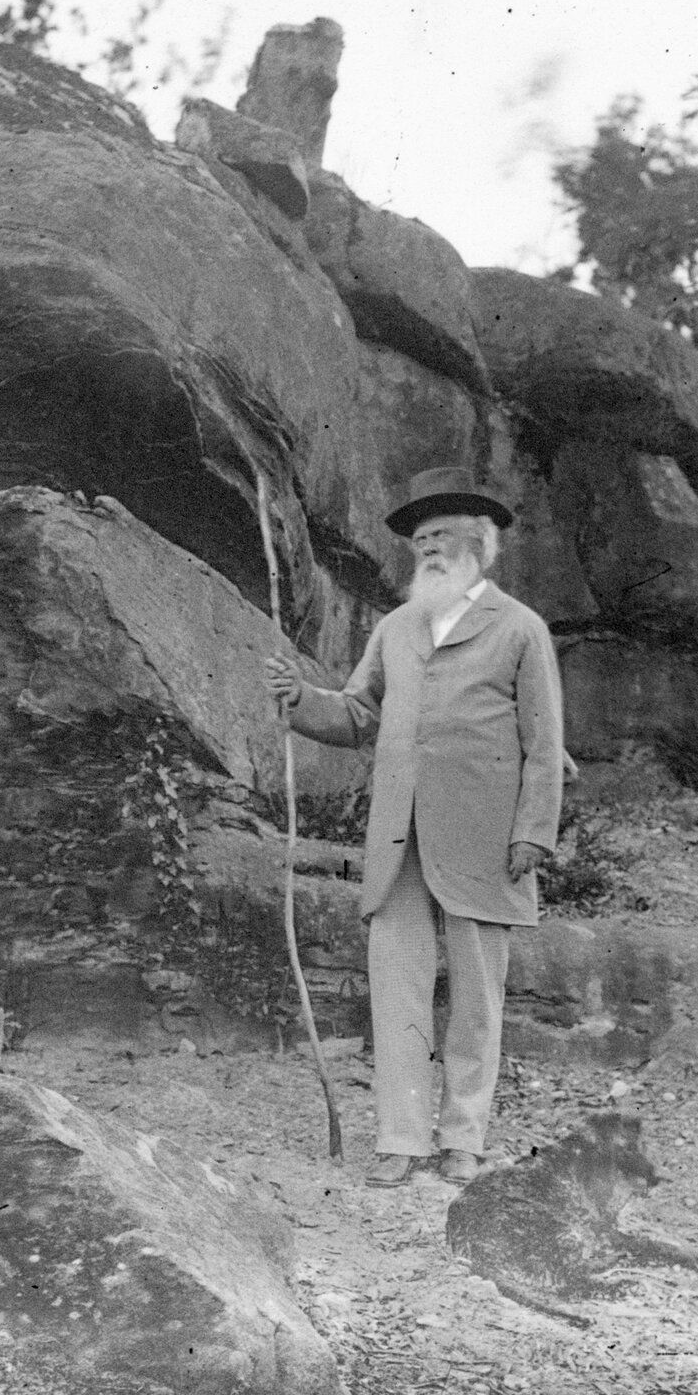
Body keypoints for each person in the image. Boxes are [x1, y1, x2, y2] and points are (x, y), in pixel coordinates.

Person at [263, 466, 566, 1188]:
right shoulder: (396, 629)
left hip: (486, 839)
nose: (427, 549)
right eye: (420, 539)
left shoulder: (520, 628)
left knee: (475, 999)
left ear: (478, 544)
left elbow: (545, 737)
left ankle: (464, 1140)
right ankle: (402, 1140)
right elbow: (358, 714)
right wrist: (300, 699)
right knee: (396, 994)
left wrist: (534, 830)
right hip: (398, 840)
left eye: (442, 536)